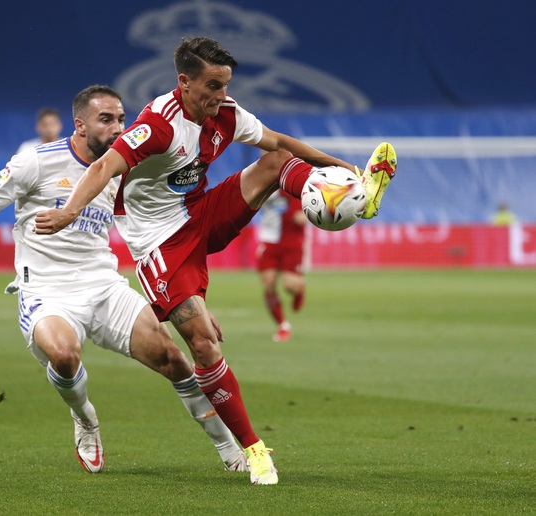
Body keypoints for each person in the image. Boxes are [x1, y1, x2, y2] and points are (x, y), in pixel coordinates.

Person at [34, 37, 398, 485]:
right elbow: (104, 167)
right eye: (211, 86)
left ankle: (348, 195)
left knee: (276, 159)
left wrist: (347, 168)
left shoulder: (226, 113)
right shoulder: (158, 125)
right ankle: (253, 449)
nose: (220, 96)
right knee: (203, 342)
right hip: (160, 246)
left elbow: (280, 140)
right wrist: (70, 210)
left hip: (201, 213)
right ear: (184, 83)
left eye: (225, 85)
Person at [0, 85, 249, 475]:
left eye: (122, 119)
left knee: (174, 359)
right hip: (47, 291)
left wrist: (188, 299)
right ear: (80, 124)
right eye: (106, 119)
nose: (118, 127)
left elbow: (161, 229)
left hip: (104, 286)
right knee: (63, 355)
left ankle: (230, 450)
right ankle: (86, 419)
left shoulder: (128, 165)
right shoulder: (36, 163)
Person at [255, 189, 309, 342]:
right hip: (268, 240)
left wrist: (306, 215)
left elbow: (316, 204)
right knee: (268, 286)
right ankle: (283, 326)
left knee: (289, 286)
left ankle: (299, 288)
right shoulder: (263, 183)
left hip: (292, 242)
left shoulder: (296, 184)